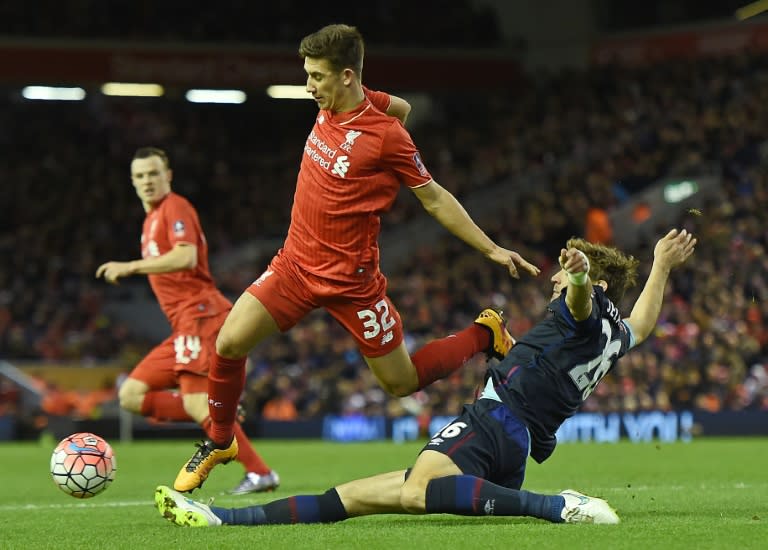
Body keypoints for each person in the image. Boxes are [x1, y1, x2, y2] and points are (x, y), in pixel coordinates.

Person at [173, 23, 540, 493]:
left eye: (317, 77)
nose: (309, 86)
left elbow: (434, 199)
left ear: (347, 76)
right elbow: (400, 106)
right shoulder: (356, 105)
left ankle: (482, 333)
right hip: (294, 267)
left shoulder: (386, 135)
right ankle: (221, 440)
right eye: (307, 74)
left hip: (353, 284)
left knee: (401, 383)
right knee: (227, 345)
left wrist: (490, 247)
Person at [156, 228, 696, 526]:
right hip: (514, 445)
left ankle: (560, 507)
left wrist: (579, 277)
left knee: (417, 493)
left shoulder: (582, 308)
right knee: (350, 497)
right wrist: (661, 266)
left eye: (564, 273)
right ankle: (221, 519)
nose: (554, 278)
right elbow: (644, 322)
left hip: (494, 421)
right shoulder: (614, 333)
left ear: (593, 281)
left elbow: (579, 301)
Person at [96, 147, 279, 495]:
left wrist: (131, 266)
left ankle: (259, 472)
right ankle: (219, 413)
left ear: (169, 175)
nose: (147, 181)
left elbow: (186, 255)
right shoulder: (150, 220)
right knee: (131, 395)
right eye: (140, 176)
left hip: (201, 316)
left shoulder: (175, 207)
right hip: (184, 326)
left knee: (196, 404)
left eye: (153, 174)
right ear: (133, 182)